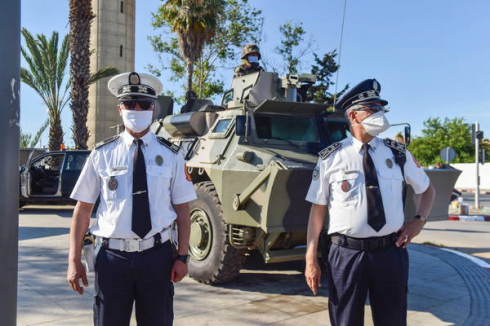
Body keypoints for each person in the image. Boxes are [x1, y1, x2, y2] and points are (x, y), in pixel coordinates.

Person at [66, 71, 197, 326]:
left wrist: (182, 257)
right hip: (112, 260)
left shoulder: (171, 155)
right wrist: (73, 260)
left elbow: (183, 210)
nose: (136, 109)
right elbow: (82, 211)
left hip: (157, 257)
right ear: (119, 109)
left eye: (144, 104)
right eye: (129, 103)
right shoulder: (102, 154)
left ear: (153, 109)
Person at [304, 78, 436, 326]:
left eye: (382, 108)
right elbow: (317, 209)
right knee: (345, 321)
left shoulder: (398, 154)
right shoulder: (332, 158)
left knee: (393, 320)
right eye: (374, 109)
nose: (381, 115)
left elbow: (428, 190)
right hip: (346, 255)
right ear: (354, 116)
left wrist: (419, 221)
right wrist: (311, 258)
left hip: (390, 253)